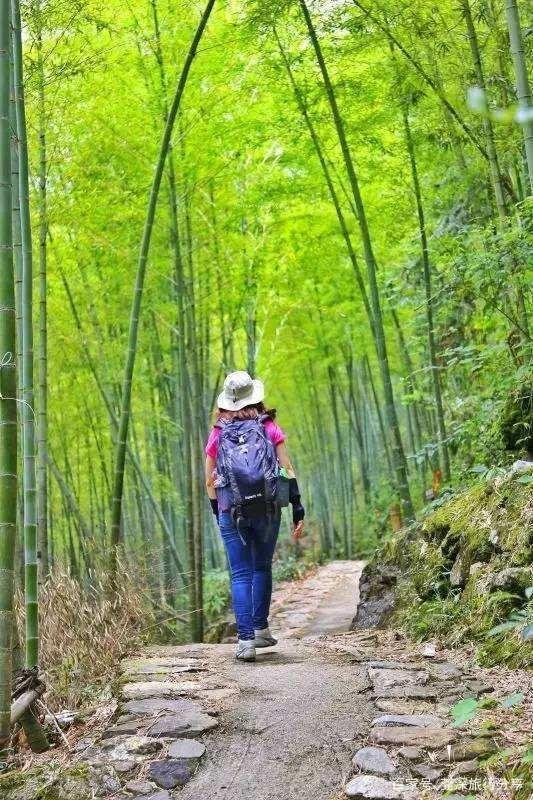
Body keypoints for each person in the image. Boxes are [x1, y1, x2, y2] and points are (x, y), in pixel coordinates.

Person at [205, 370, 305, 662]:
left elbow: (209, 480)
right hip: (268, 509)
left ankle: (245, 642)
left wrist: (218, 511)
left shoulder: (218, 433)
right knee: (261, 567)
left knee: (239, 573)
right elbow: (287, 469)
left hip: (230, 510)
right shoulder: (269, 426)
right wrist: (297, 506)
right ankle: (261, 629)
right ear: (255, 397)